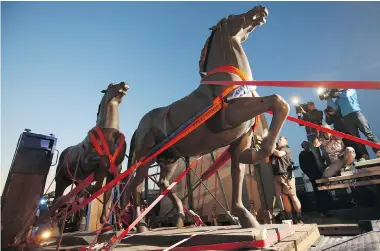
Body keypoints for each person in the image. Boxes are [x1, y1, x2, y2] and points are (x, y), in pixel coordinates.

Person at [327, 89, 380, 159]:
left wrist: (334, 94)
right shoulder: (338, 100)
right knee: (356, 138)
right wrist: (328, 98)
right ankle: (364, 155)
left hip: (356, 114)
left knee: (368, 132)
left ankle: (378, 150)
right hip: (346, 119)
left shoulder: (351, 90)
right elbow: (335, 108)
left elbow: (346, 95)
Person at [270, 136, 303, 224]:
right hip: (277, 176)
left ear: (286, 141)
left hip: (286, 176)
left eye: (281, 139)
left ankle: (299, 217)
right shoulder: (274, 151)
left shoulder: (286, 148)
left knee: (292, 196)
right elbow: (267, 161)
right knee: (283, 197)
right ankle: (290, 217)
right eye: (278, 139)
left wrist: (271, 148)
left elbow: (280, 154)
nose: (278, 140)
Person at [299, 141, 331, 217]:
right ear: (303, 146)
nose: (307, 145)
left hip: (320, 174)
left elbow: (319, 161)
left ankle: (326, 209)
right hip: (313, 176)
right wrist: (309, 174)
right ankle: (322, 211)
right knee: (318, 193)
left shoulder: (313, 152)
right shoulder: (302, 155)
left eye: (307, 144)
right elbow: (303, 166)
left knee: (324, 191)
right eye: (305, 145)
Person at [297, 102, 325, 170]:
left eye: (307, 106)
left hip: (318, 133)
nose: (306, 107)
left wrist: (304, 113)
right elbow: (301, 124)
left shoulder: (319, 112)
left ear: (312, 105)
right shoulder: (306, 115)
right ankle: (322, 171)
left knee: (324, 151)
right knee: (316, 155)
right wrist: (299, 115)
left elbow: (315, 119)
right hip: (310, 136)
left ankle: (331, 169)